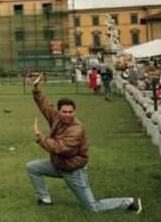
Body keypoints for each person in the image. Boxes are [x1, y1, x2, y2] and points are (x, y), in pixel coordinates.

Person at [26, 72, 142, 212]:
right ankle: (44, 199)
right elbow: (45, 107)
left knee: (92, 207)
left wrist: (40, 135)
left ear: (74, 111)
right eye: (64, 112)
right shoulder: (57, 118)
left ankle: (130, 202)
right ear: (59, 111)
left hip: (73, 171)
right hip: (59, 165)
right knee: (32, 167)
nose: (68, 115)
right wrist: (36, 89)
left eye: (71, 112)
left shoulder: (76, 129)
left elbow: (59, 148)